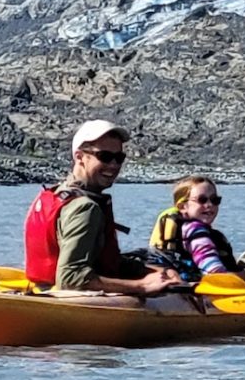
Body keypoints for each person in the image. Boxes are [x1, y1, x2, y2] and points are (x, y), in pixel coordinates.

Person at [21, 120, 180, 295]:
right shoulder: (85, 209)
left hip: (44, 289)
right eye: (104, 156)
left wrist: (152, 272)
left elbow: (105, 261)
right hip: (68, 298)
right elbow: (71, 278)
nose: (113, 165)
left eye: (119, 158)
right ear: (80, 157)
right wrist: (143, 286)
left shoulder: (55, 195)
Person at [150, 176, 245, 283]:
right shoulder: (196, 233)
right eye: (202, 200)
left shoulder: (181, 229)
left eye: (215, 200)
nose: (209, 205)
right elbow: (217, 276)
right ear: (182, 206)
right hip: (200, 288)